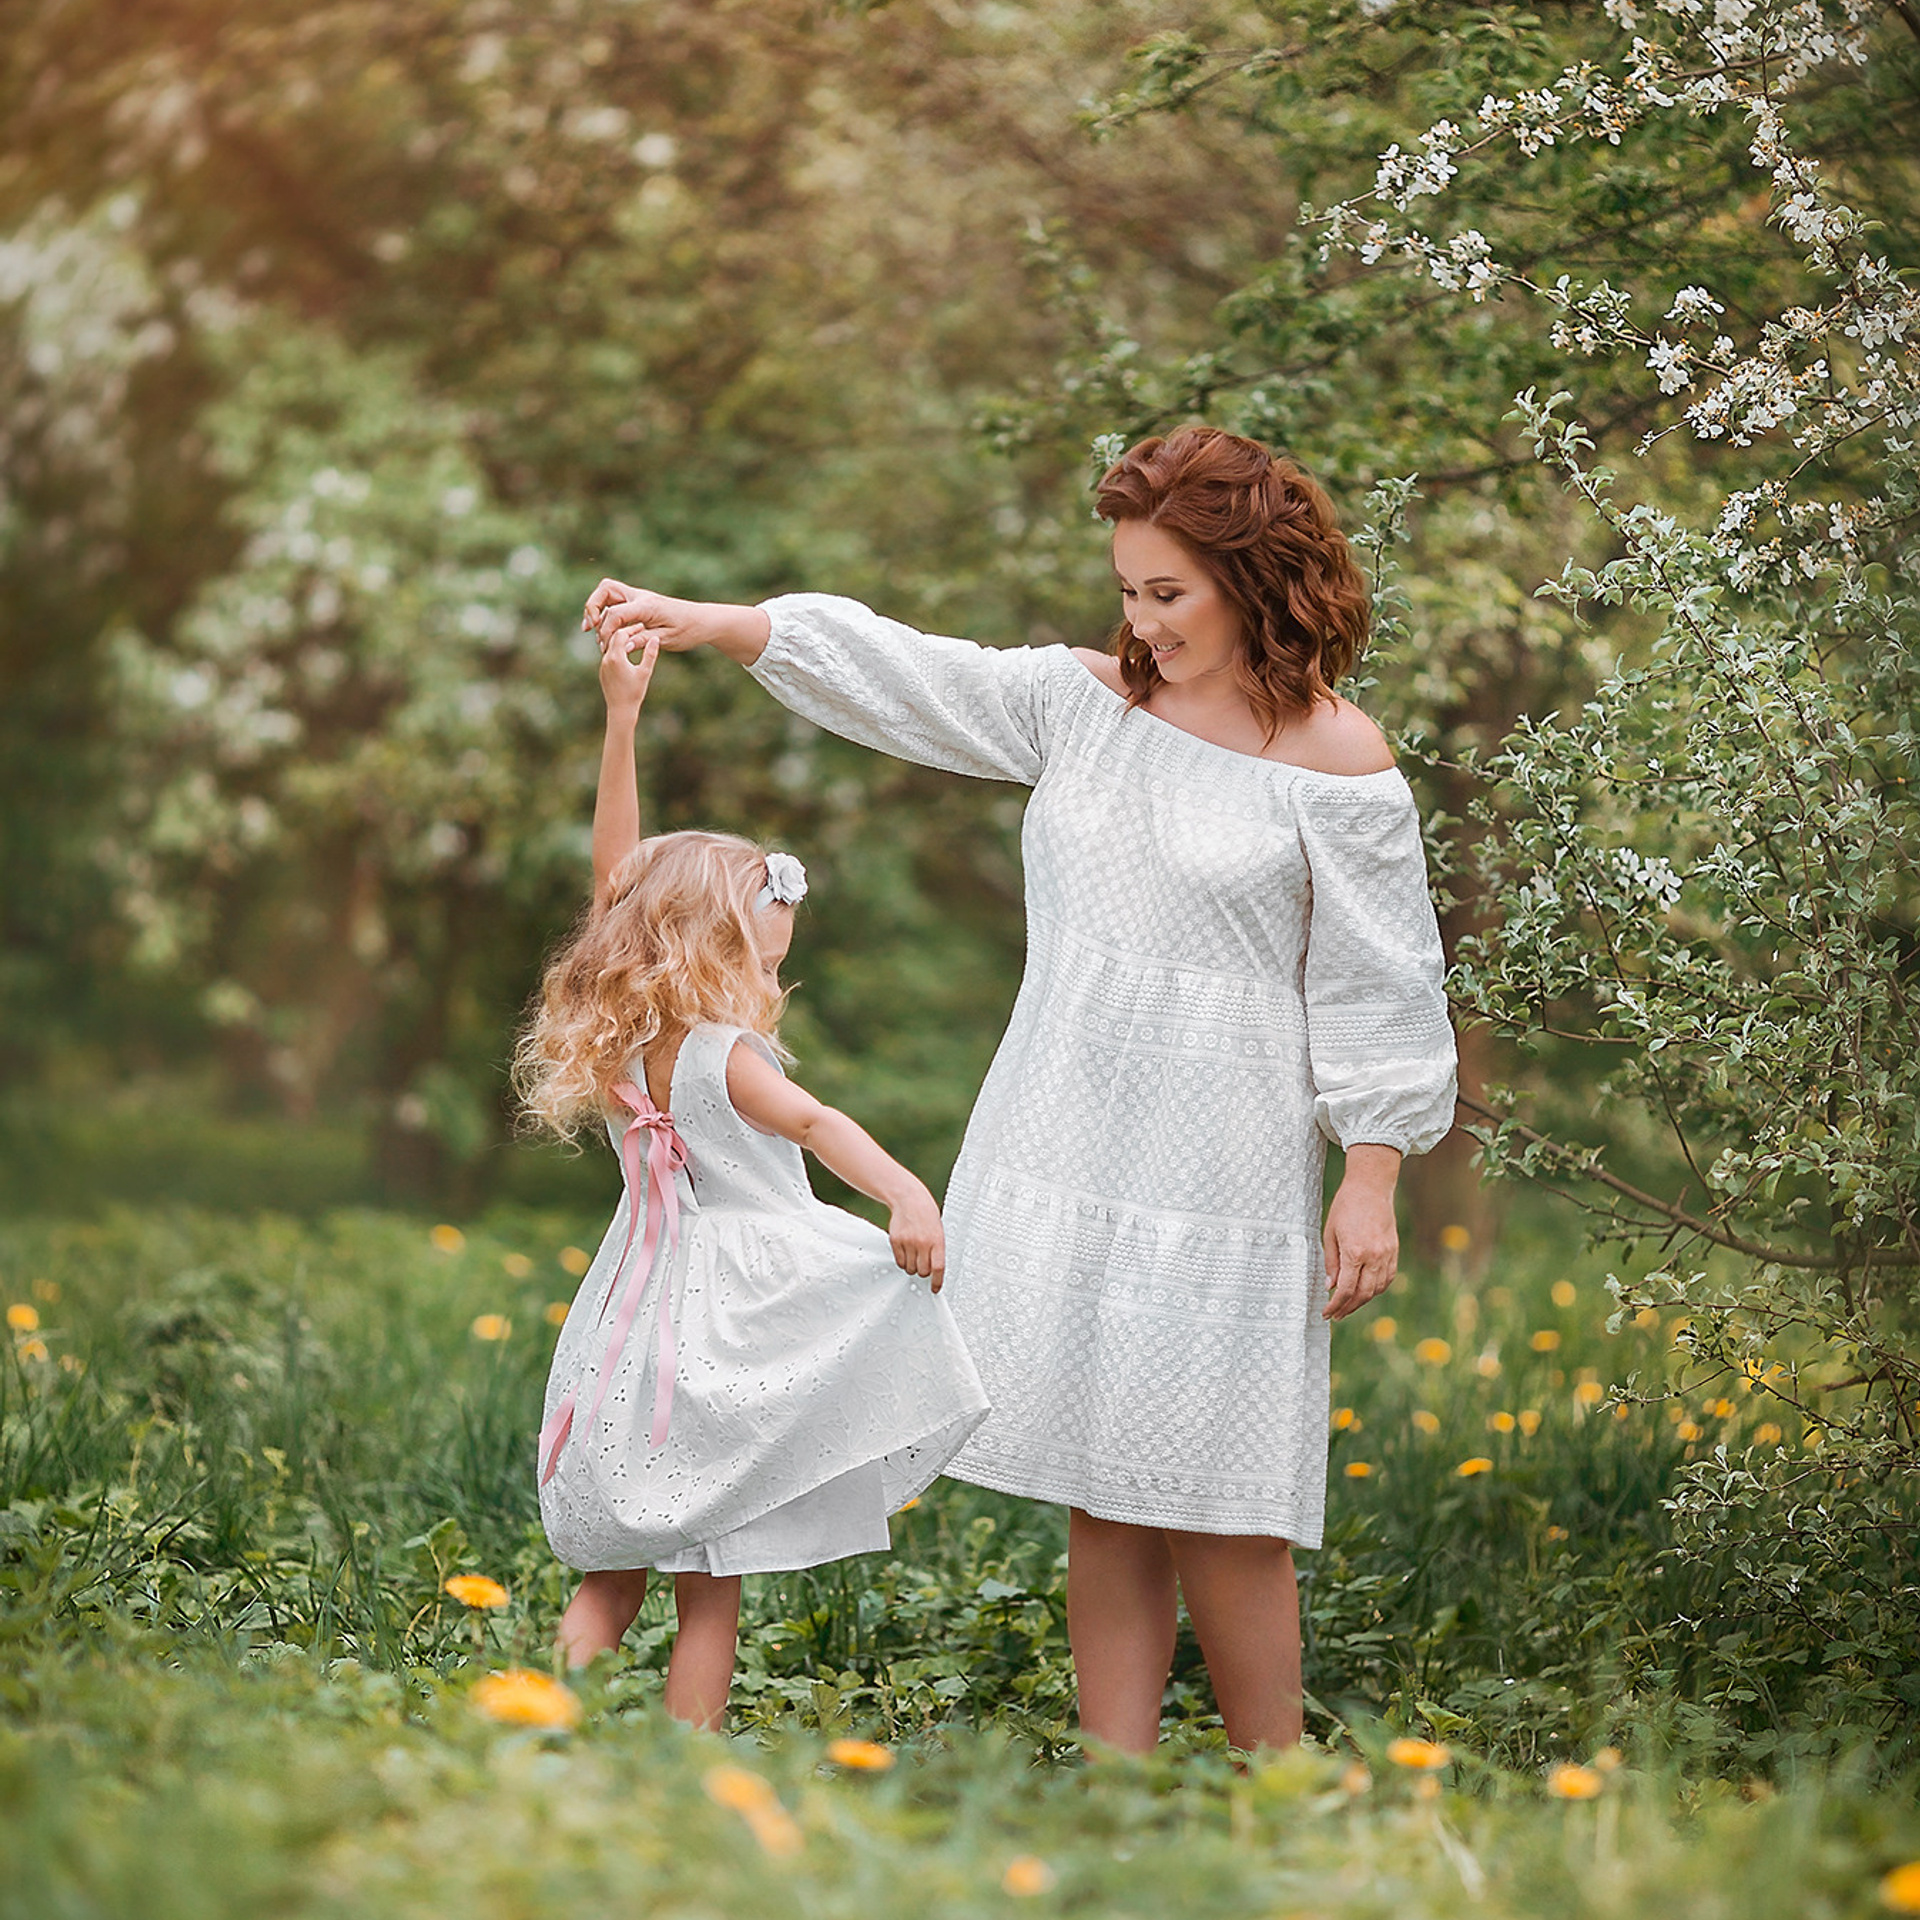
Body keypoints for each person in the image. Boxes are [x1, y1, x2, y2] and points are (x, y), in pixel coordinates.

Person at [582, 425, 1457, 1752]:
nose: (1141, 622)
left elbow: (1378, 984)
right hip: (1066, 1127)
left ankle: (1280, 1788)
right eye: (1127, 591)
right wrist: (721, 625)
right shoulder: (1081, 705)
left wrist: (1375, 1172)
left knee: (1225, 1488)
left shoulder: (1339, 762)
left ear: (1259, 580)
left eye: (1170, 593)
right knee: (1106, 1477)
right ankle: (1121, 1784)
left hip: (1227, 1155)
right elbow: (909, 674)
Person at [513, 623, 989, 1731]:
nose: (772, 972)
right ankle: (689, 1765)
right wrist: (908, 1196)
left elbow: (614, 878)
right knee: (708, 1582)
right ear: (710, 948)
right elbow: (823, 1127)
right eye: (762, 953)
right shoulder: (729, 1055)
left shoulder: (628, 1037)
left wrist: (622, 722)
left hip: (630, 1317)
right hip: (725, 1321)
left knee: (617, 1573)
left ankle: (531, 1726)